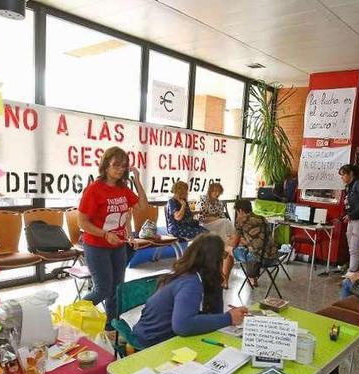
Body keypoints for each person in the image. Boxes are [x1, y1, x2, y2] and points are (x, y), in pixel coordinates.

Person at [133, 234, 249, 348]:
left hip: (158, 333)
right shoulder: (190, 282)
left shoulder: (194, 276)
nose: (223, 261)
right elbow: (182, 325)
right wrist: (228, 318)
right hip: (151, 341)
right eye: (223, 256)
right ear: (213, 260)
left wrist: (217, 288)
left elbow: (214, 313)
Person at [77, 146, 149, 328]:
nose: (120, 170)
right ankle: (74, 314)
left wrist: (137, 181)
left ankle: (111, 324)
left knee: (117, 289)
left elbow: (142, 206)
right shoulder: (94, 190)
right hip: (96, 245)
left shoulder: (123, 189)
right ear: (106, 166)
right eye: (116, 165)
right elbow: (82, 223)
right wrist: (105, 234)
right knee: (103, 289)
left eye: (124, 166)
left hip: (118, 245)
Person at [232, 199, 279, 288]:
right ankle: (253, 279)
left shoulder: (241, 220)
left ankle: (224, 281)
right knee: (254, 250)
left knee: (229, 249)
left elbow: (234, 244)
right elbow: (259, 240)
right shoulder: (262, 218)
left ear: (240, 210)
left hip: (258, 260)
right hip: (273, 259)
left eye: (237, 212)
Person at [339, 164, 359, 277]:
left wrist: (351, 215)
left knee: (354, 246)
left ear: (351, 173)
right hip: (352, 218)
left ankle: (352, 271)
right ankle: (355, 262)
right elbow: (349, 203)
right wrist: (346, 215)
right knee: (350, 242)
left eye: (343, 174)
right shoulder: (348, 187)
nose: (342, 177)